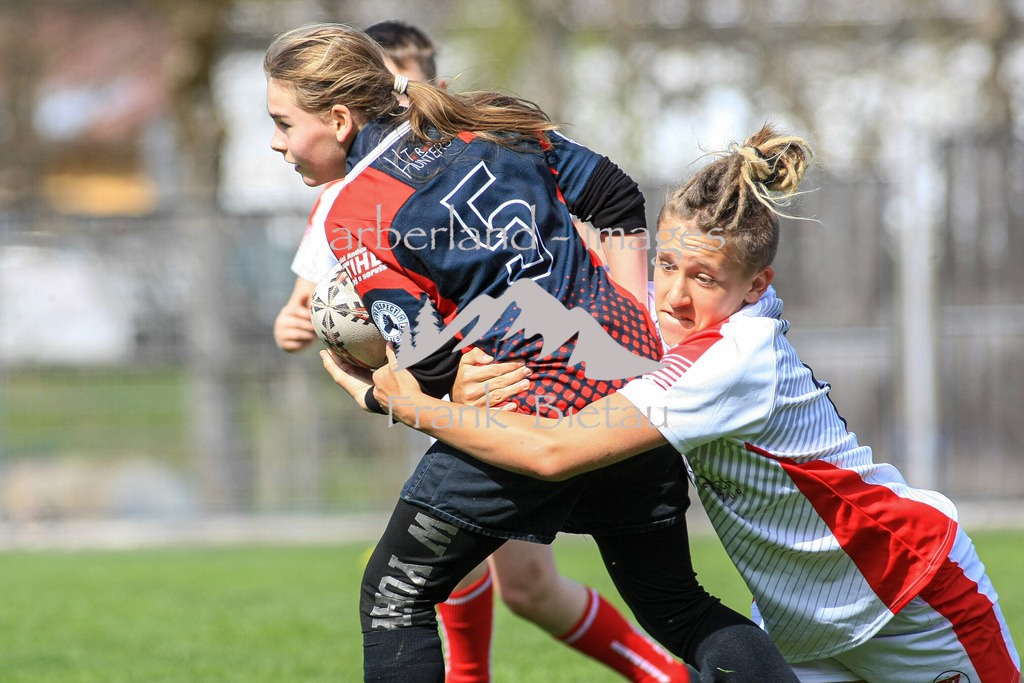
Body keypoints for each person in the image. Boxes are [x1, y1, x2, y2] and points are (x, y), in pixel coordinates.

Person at [325, 124, 1021, 682]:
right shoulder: (667, 329)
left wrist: (407, 403)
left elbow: (552, 450)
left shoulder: (730, 359)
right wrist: (457, 373)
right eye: (665, 263)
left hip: (912, 597)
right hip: (797, 622)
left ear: (757, 285)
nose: (674, 294)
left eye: (705, 276)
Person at [266, 22, 797, 683]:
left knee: (394, 596)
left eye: (284, 123)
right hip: (630, 388)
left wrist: (370, 387)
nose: (277, 141)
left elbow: (426, 367)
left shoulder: (355, 211)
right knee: (675, 605)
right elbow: (614, 193)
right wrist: (628, 319)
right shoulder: (489, 122)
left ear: (340, 118)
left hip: (531, 410)